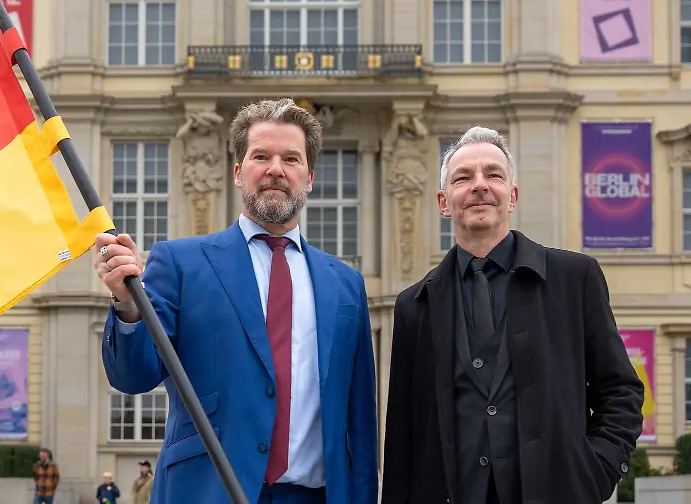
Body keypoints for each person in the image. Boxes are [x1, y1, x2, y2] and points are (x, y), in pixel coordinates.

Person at [96, 98, 378, 504]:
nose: (276, 169)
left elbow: (360, 418)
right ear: (238, 173)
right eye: (261, 156)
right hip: (207, 492)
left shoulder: (346, 285)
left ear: (310, 178)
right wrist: (127, 304)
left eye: (291, 159)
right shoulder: (180, 263)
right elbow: (133, 377)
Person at [381, 126, 645, 504]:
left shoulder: (574, 278)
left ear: (512, 196)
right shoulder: (413, 305)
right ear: (443, 202)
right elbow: (402, 433)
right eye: (463, 178)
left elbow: (620, 390)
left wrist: (596, 470)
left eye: (494, 175)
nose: (479, 185)